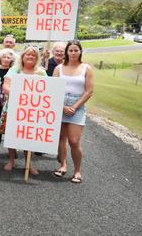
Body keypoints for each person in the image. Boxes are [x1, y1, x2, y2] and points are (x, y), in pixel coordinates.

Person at [1, 45, 47, 175]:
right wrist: (20, 95)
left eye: (33, 55)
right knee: (11, 134)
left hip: (32, 110)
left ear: (37, 58)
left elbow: (48, 89)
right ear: (23, 57)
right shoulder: (14, 70)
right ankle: (11, 159)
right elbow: (5, 87)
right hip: (14, 107)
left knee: (29, 136)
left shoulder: (41, 72)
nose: (30, 57)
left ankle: (28, 163)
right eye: (28, 54)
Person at [53, 40, 94, 184]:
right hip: (60, 104)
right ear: (67, 52)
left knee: (74, 141)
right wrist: (62, 106)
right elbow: (53, 89)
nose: (73, 53)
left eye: (76, 50)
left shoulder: (86, 68)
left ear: (80, 51)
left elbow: (89, 91)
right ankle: (63, 165)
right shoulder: (59, 68)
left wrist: (74, 107)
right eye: (70, 50)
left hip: (77, 106)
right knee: (61, 139)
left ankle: (77, 171)